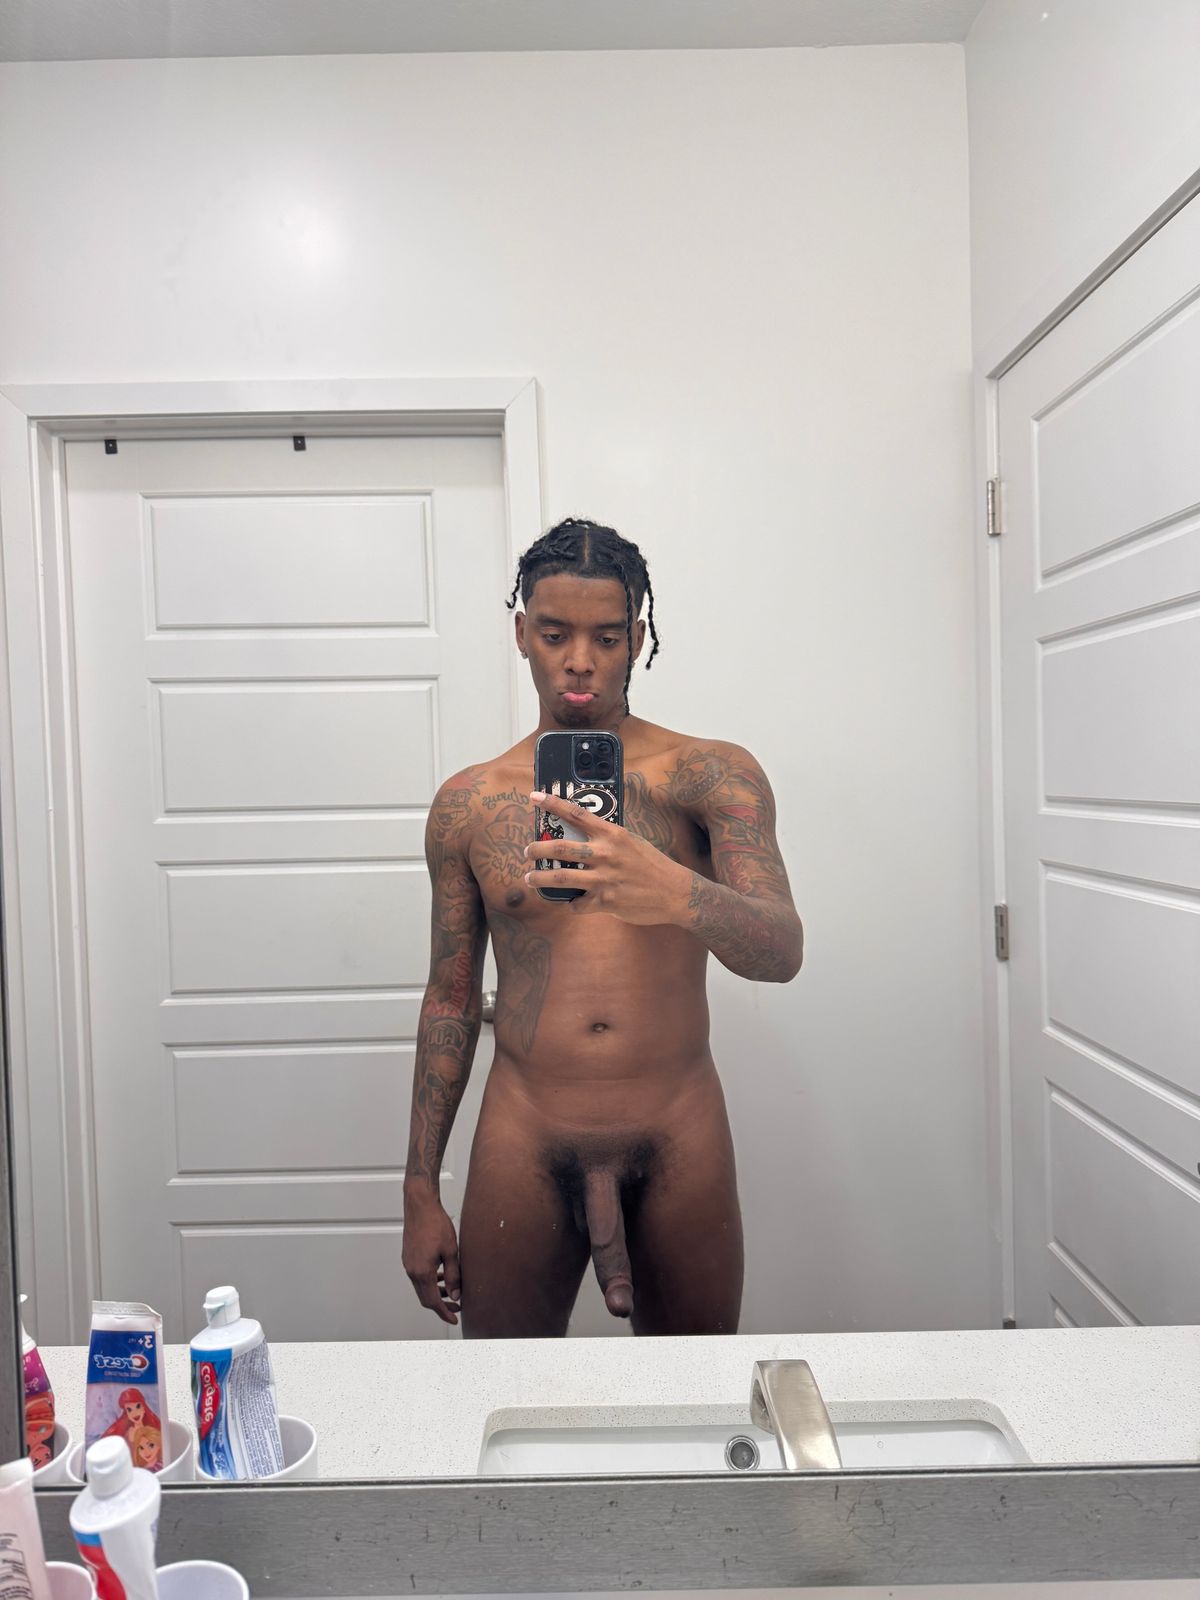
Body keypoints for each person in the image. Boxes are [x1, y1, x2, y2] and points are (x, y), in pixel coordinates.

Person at [401, 518, 803, 1336]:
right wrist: (418, 1191)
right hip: (525, 1127)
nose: (580, 660)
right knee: (505, 1390)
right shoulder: (468, 803)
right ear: (522, 633)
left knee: (694, 1390)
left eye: (607, 638)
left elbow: (781, 950)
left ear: (637, 641)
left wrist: (672, 891)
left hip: (676, 1122)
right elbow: (450, 997)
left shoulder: (710, 774)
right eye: (555, 635)